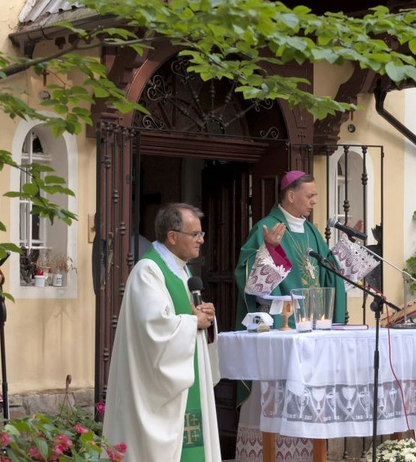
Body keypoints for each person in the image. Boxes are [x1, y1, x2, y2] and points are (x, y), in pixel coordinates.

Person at [233, 170, 375, 462]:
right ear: (291, 195)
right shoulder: (266, 227)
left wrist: (350, 248)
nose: (314, 201)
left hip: (311, 331)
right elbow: (248, 279)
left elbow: (328, 272)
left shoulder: (310, 231)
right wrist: (269, 248)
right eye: (310, 195)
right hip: (280, 332)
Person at [103, 203, 221, 462]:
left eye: (201, 234)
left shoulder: (182, 270)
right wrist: (193, 321)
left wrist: (205, 318)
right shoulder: (148, 271)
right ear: (172, 236)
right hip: (156, 392)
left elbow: (185, 318)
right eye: (195, 234)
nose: (201, 240)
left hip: (184, 382)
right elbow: (153, 328)